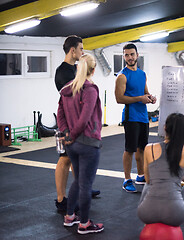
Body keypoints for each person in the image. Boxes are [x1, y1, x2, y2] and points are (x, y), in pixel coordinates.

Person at [137, 113, 184, 240]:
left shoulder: (149, 148)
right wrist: (179, 177)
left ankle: (149, 224)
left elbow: (148, 180)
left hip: (145, 213)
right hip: (175, 215)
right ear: (183, 131)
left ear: (165, 128)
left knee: (149, 183)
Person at [57, 53, 104, 234]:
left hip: (71, 144)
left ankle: (70, 216)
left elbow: (60, 114)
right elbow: (85, 119)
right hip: (87, 143)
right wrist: (74, 134)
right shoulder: (90, 89)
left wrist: (67, 134)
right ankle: (84, 223)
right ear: (93, 69)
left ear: (78, 68)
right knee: (86, 184)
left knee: (78, 180)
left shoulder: (66, 90)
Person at [54, 35, 100, 211]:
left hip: (79, 125)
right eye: (81, 49)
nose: (82, 52)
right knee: (64, 159)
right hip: (69, 124)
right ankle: (60, 199)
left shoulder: (76, 68)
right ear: (72, 50)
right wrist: (68, 131)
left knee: (76, 160)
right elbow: (68, 100)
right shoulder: (63, 72)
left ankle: (83, 187)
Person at [115, 43, 157, 193]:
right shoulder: (122, 76)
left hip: (143, 117)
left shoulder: (142, 74)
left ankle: (140, 175)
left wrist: (151, 98)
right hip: (130, 116)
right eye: (126, 55)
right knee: (130, 149)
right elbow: (119, 98)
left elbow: (145, 92)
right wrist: (140, 98)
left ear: (137, 55)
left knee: (142, 149)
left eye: (132, 54)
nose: (129, 57)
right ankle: (127, 180)